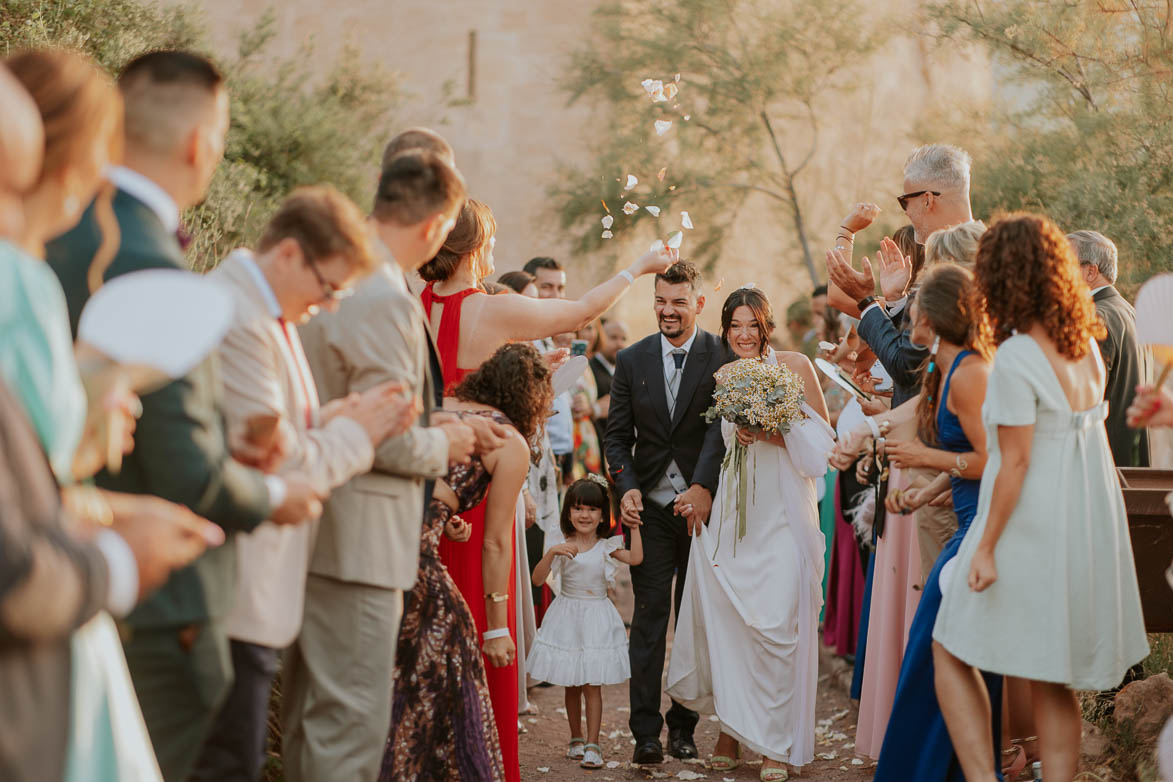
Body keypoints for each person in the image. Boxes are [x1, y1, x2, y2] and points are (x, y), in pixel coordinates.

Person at [44, 50, 322, 781]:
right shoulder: (147, 266)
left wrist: (222, 438)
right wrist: (276, 494)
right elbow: (184, 471)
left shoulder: (54, 237)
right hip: (159, 608)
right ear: (203, 143)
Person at [191, 187, 420, 782]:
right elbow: (283, 468)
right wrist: (361, 434)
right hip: (236, 587)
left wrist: (329, 418)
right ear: (290, 254)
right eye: (328, 288)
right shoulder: (241, 318)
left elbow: (280, 433)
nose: (328, 304)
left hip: (260, 591)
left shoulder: (271, 313)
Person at [932, 214, 1149, 782]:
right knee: (1052, 677)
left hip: (1028, 526)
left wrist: (984, 548)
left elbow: (1016, 463)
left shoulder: (1020, 357)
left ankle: (983, 777)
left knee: (949, 644)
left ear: (1002, 278)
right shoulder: (1085, 349)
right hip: (1079, 525)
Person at [287, 151, 478, 782]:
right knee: (348, 731)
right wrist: (446, 446)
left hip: (326, 531)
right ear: (434, 227)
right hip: (357, 544)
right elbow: (388, 440)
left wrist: (429, 424)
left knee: (316, 725)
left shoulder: (349, 277)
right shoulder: (382, 294)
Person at [666, 286, 833, 781]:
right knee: (734, 624)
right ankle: (734, 730)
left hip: (781, 513)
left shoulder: (796, 367)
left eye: (752, 326)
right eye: (735, 326)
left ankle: (776, 744)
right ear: (725, 329)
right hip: (737, 513)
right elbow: (711, 447)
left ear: (767, 326)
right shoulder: (723, 376)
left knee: (778, 625)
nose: (743, 335)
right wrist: (701, 490)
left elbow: (825, 444)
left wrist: (772, 431)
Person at [384, 343, 552, 782]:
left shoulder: (444, 407)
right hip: (414, 565)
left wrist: (445, 519)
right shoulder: (507, 440)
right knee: (453, 688)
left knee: (396, 692)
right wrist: (497, 628)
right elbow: (496, 543)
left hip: (377, 545)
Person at [868, 263, 1005, 781]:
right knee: (935, 660)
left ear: (940, 314)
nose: (911, 314)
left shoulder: (971, 374)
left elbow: (997, 461)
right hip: (964, 525)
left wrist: (929, 462)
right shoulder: (943, 371)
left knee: (938, 657)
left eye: (919, 304)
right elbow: (969, 456)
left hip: (978, 534)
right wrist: (925, 492)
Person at [605, 261, 729, 764]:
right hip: (650, 513)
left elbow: (722, 428)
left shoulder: (721, 353)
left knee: (695, 621)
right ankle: (646, 734)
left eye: (678, 301)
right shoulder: (631, 360)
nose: (668, 310)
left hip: (703, 513)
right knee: (651, 620)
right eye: (660, 300)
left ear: (698, 303)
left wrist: (701, 486)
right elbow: (616, 437)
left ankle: (684, 726)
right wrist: (627, 487)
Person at [527, 476, 642, 770]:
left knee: (592, 683)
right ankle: (575, 737)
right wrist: (552, 552)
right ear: (568, 512)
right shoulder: (560, 543)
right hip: (567, 615)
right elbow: (537, 579)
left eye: (592, 509)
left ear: (603, 515)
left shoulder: (607, 546)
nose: (584, 515)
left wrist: (634, 529)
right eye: (578, 508)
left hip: (596, 617)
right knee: (571, 683)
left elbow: (637, 558)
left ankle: (593, 743)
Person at [1068, 229, 1149, 467]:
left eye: (1063, 264)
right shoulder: (1129, 312)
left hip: (1102, 463)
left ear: (1090, 271)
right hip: (1131, 461)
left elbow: (1084, 402)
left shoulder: (1095, 318)